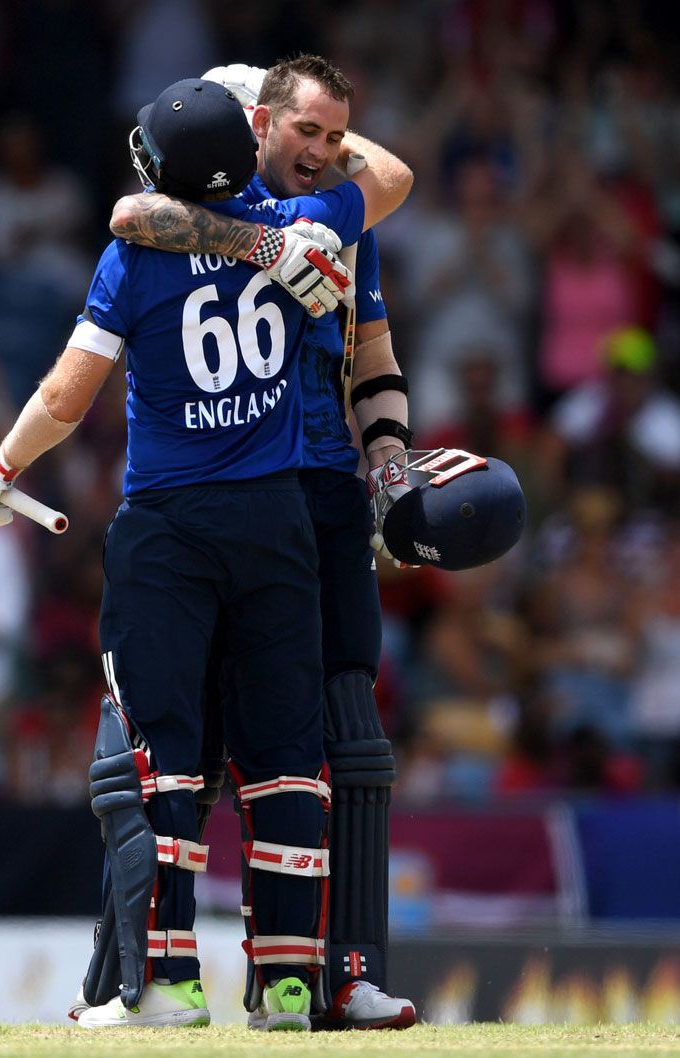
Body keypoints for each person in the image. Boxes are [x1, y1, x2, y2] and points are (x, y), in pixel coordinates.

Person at [0, 76, 390, 1032]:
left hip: (170, 530)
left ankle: (168, 987)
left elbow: (68, 397)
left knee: (166, 762)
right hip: (278, 525)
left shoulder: (135, 258)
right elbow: (379, 181)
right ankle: (283, 988)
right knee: (287, 759)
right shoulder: (305, 222)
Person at [103, 55, 417, 1030]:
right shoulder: (187, 216)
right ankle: (127, 977)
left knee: (344, 742)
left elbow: (375, 356)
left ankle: (339, 973)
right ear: (255, 127)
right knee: (160, 753)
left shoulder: (339, 219)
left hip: (317, 499)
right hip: (211, 498)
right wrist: (253, 235)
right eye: (295, 132)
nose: (318, 152)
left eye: (332, 137)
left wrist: (394, 471)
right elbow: (129, 213)